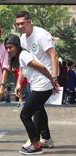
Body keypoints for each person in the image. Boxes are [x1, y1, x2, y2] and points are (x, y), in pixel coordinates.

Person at [5, 34, 57, 155]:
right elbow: (23, 70)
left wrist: (52, 80)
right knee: (37, 110)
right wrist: (19, 84)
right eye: (6, 47)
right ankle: (44, 139)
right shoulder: (20, 57)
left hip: (42, 86)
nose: (8, 50)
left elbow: (41, 67)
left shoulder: (24, 54)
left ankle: (35, 145)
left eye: (11, 47)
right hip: (39, 86)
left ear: (17, 46)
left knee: (25, 115)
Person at [15, 11, 59, 148]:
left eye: (22, 23)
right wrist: (18, 82)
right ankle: (46, 138)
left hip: (45, 79)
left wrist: (54, 77)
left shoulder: (41, 35)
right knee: (38, 107)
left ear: (30, 22)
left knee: (32, 110)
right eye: (17, 24)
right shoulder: (22, 38)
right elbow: (24, 63)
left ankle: (35, 140)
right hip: (33, 80)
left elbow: (54, 56)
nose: (20, 26)